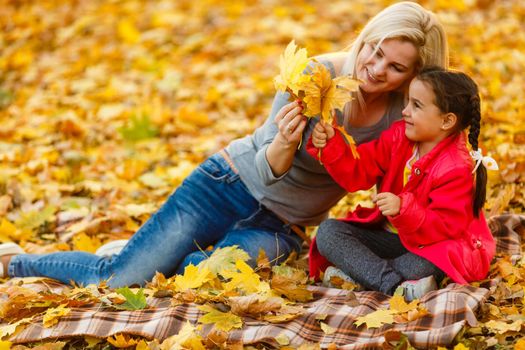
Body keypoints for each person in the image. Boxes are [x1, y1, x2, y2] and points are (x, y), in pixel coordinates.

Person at [0, 2, 448, 287]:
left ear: (413, 76)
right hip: (227, 184)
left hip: (283, 228)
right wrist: (289, 141)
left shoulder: (400, 114)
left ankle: (144, 248)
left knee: (194, 275)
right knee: (120, 280)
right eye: (374, 51)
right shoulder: (316, 76)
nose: (375, 68)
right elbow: (271, 164)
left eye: (395, 67)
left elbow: (396, 171)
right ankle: (17, 264)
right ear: (366, 37)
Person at [307, 67, 497, 301]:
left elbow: (445, 228)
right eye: (407, 102)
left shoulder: (455, 167)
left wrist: (404, 209)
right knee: (328, 232)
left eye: (416, 105)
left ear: (447, 121)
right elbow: (360, 169)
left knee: (431, 263)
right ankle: (394, 284)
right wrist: (331, 145)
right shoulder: (399, 137)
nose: (405, 111)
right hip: (391, 238)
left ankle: (367, 277)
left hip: (431, 245)